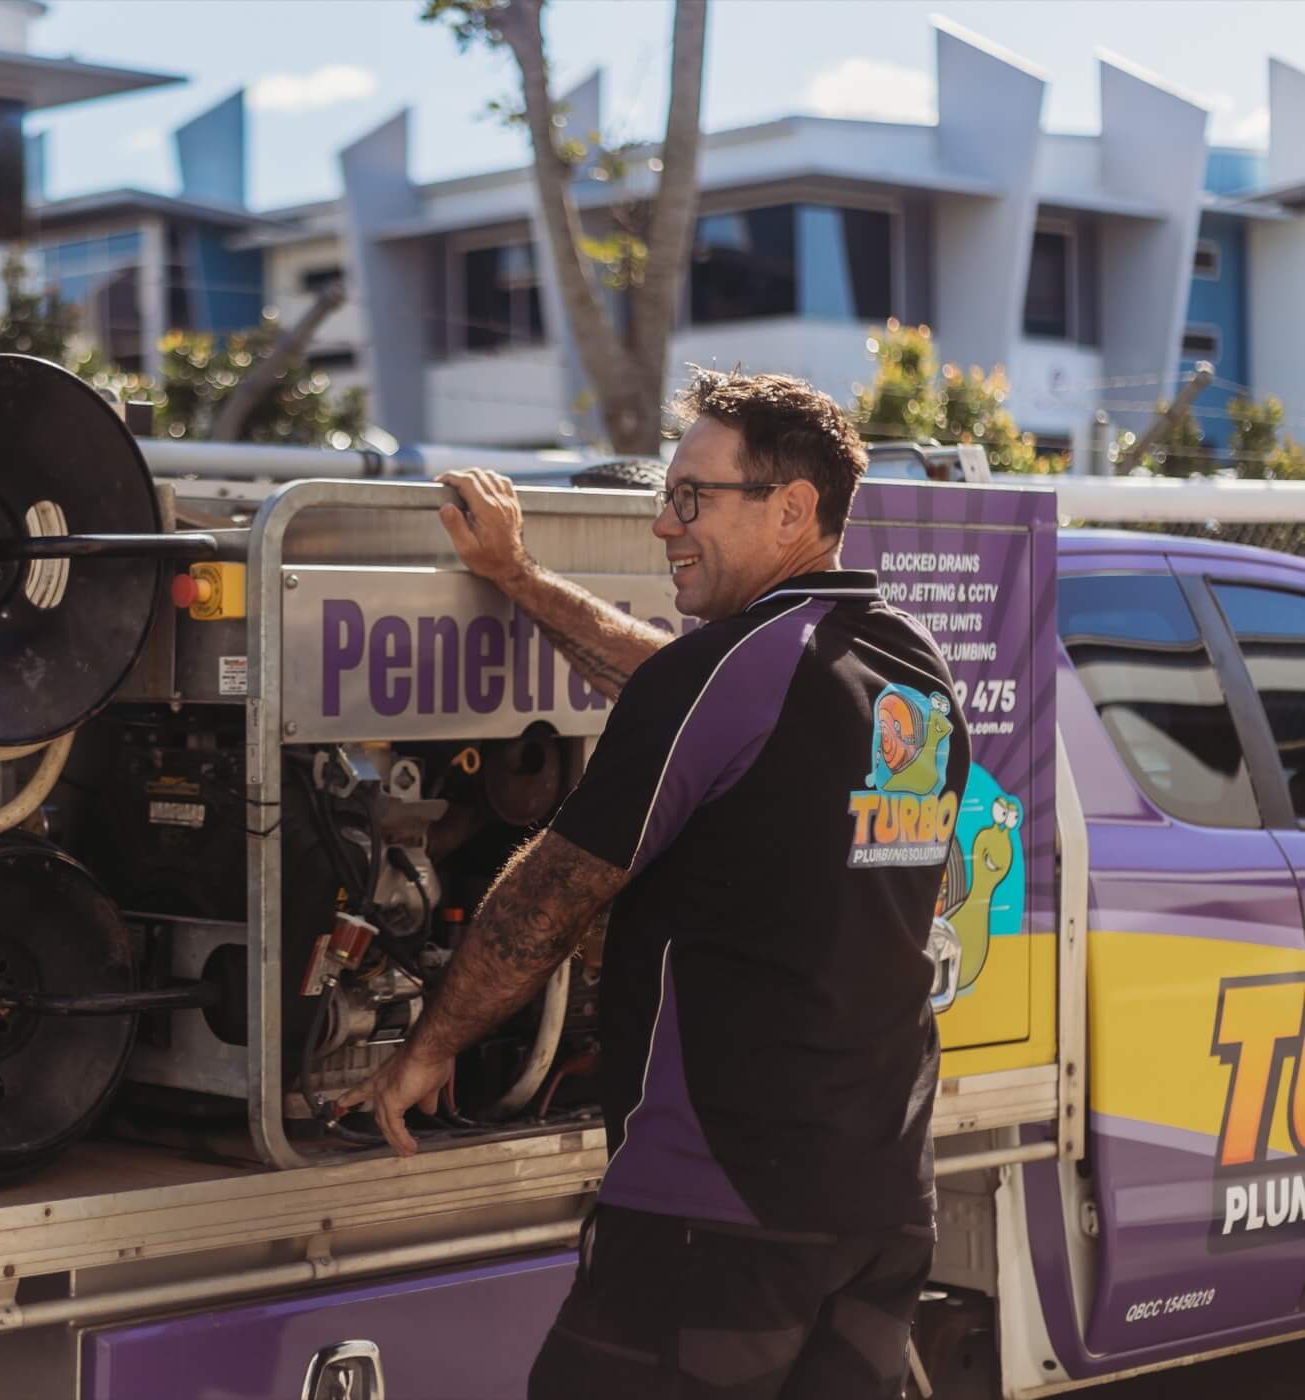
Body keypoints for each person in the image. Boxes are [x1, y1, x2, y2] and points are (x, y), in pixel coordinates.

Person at [335, 369, 969, 1400]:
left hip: (718, 1203)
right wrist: (522, 576)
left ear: (792, 509)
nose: (667, 525)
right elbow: (676, 683)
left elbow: (546, 900)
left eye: (693, 498)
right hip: (881, 1199)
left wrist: (426, 1050)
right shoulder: (909, 664)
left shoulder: (725, 678)